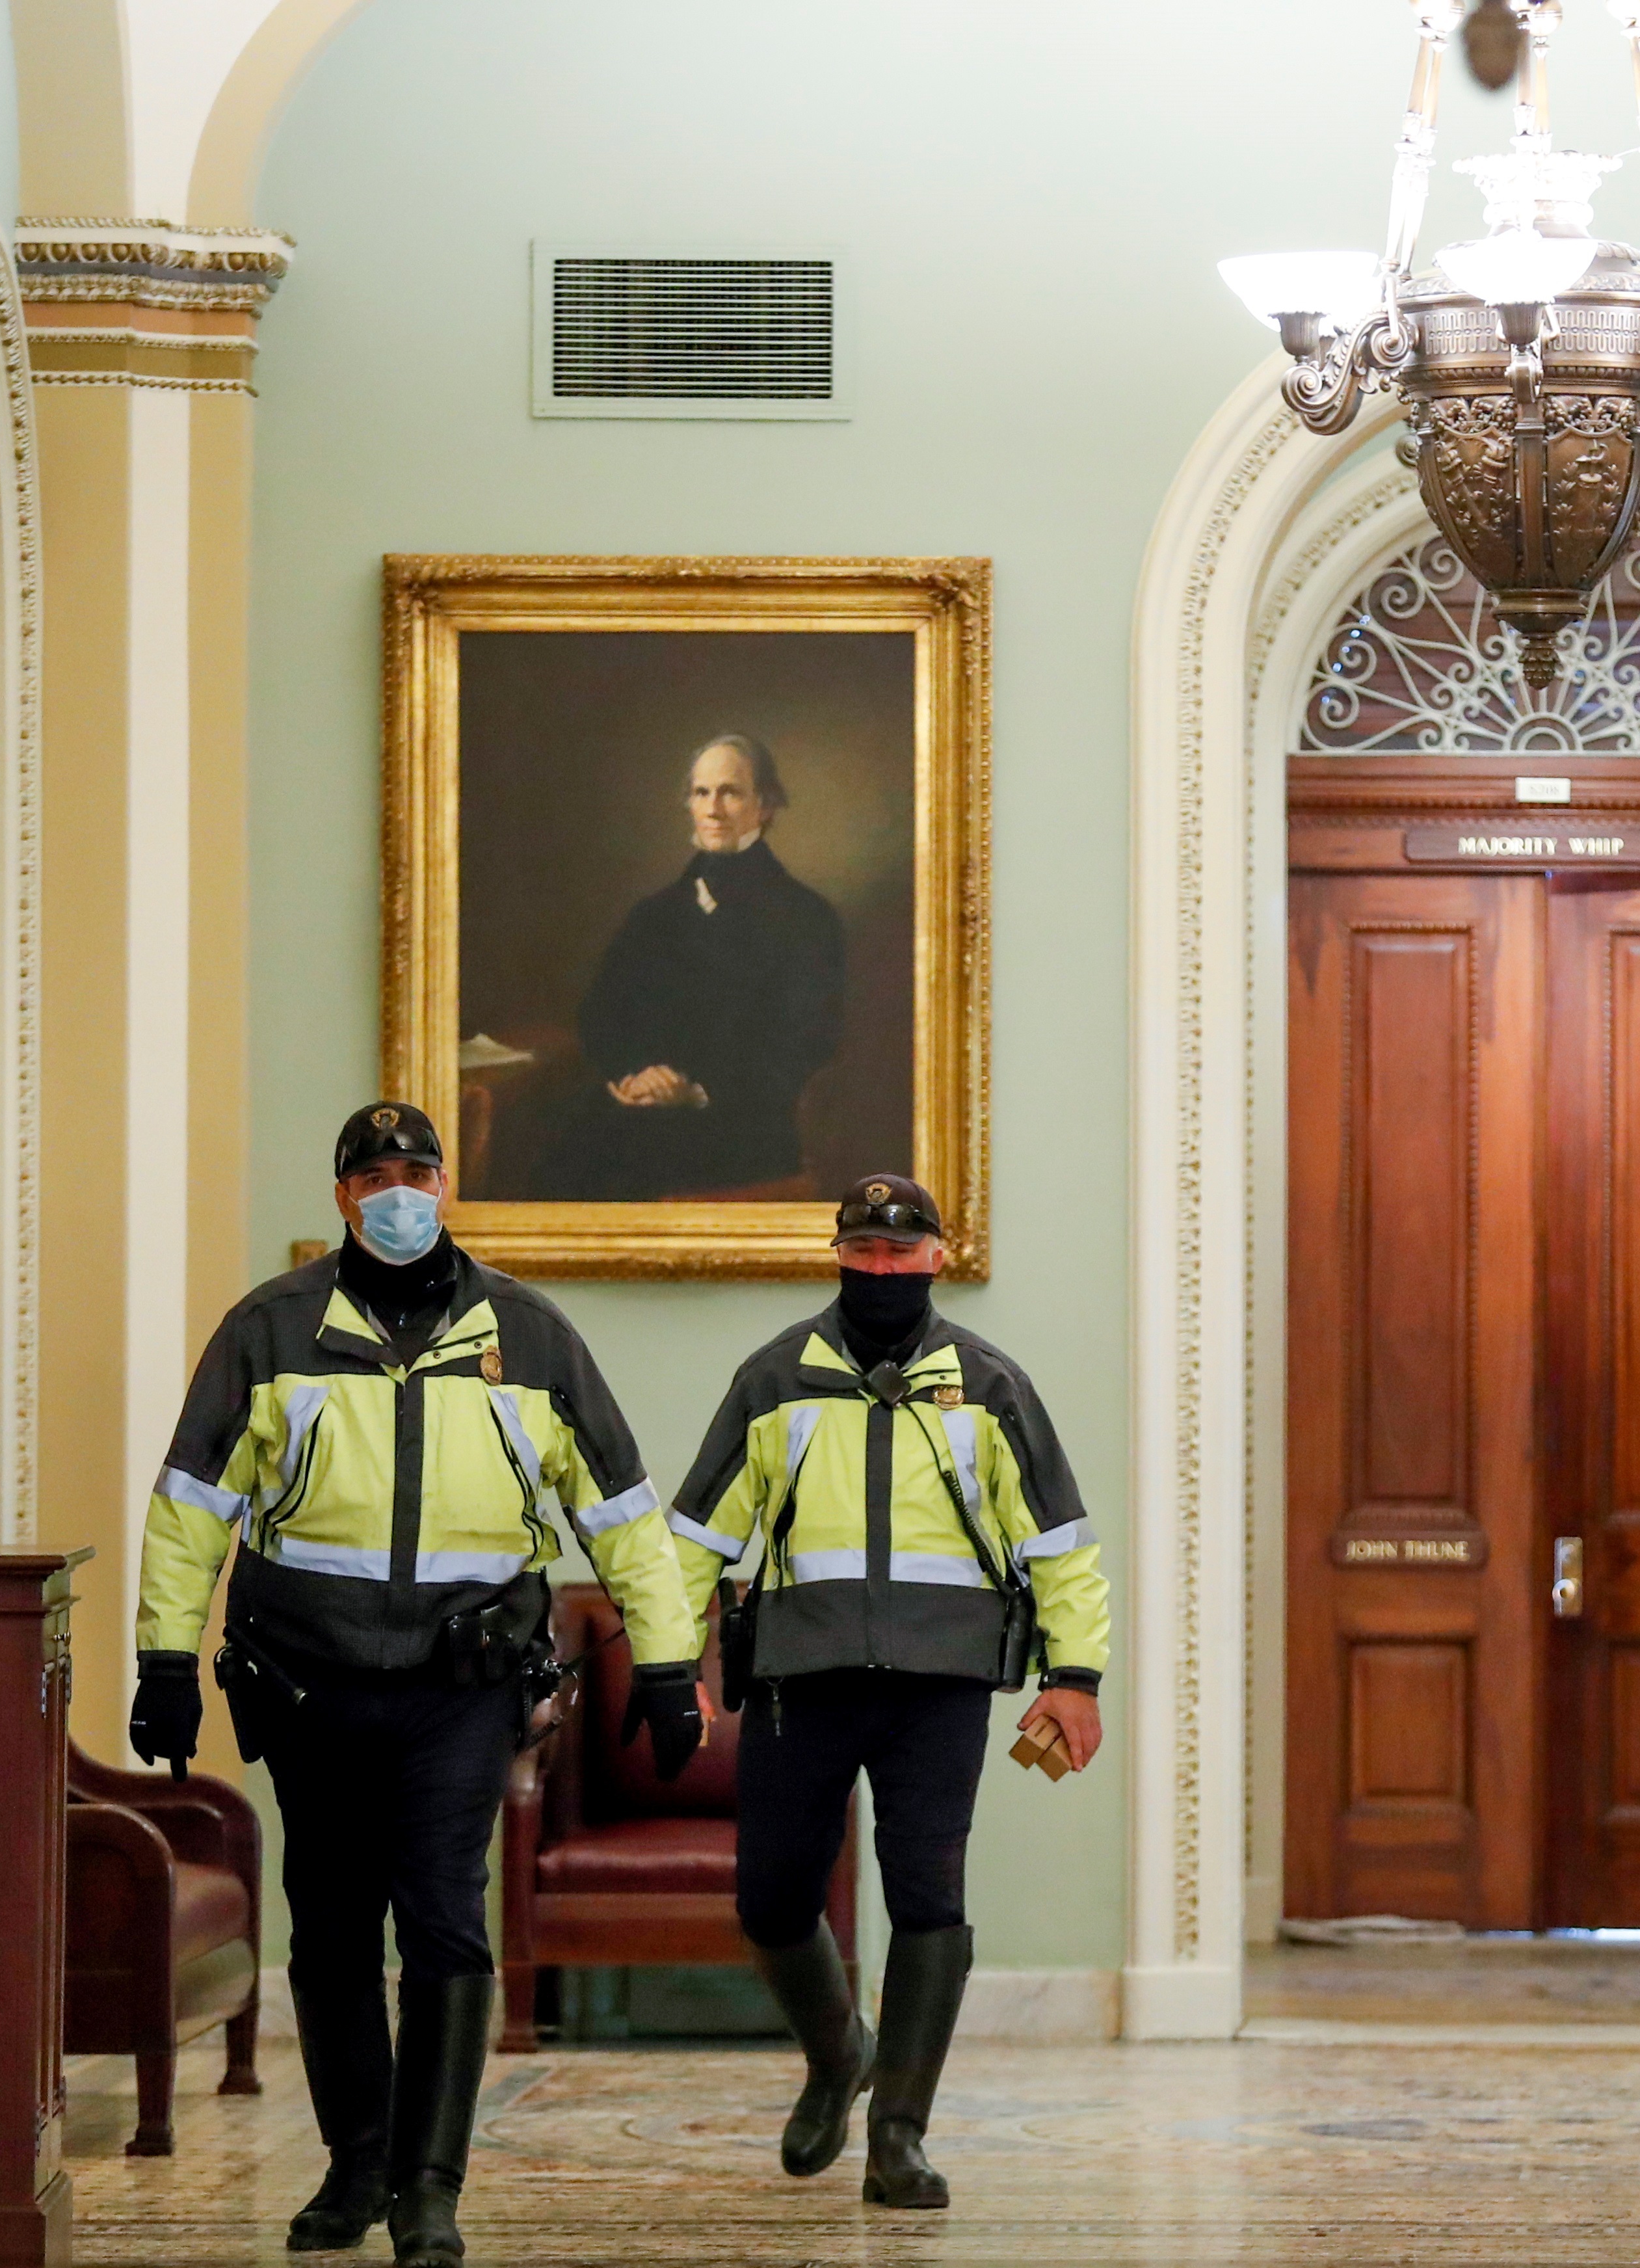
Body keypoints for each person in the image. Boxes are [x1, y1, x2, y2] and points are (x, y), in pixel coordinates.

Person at [127, 1102, 708, 2268]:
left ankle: (430, 2188)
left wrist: (670, 1660)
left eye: (419, 1171)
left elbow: (624, 1513)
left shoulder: (531, 1335)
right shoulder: (270, 1327)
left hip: (463, 1684)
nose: (400, 1190)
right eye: (376, 1172)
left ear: (449, 1189)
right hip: (308, 1679)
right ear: (342, 1194)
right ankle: (356, 2166)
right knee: (334, 1925)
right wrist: (162, 1660)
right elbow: (192, 1510)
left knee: (444, 1915)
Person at [668, 1173, 1108, 2210]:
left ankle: (898, 2134)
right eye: (863, 1253)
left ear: (935, 1258)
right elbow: (694, 1541)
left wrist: (1074, 1675)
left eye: (899, 1254)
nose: (880, 1270)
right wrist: (669, 1663)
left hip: (939, 1685)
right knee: (771, 1898)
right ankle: (836, 2053)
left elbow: (1060, 1548)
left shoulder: (991, 1385)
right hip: (797, 1677)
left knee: (927, 1895)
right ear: (837, 1253)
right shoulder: (775, 1378)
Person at [527, 732, 846, 1199]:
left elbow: (807, 1044)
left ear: (766, 806)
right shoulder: (653, 915)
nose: (714, 808)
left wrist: (695, 1089)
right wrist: (634, 1073)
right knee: (560, 1149)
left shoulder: (808, 919)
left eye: (730, 792)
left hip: (743, 1127)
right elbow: (600, 1016)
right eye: (702, 792)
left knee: (619, 1162)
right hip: (637, 1107)